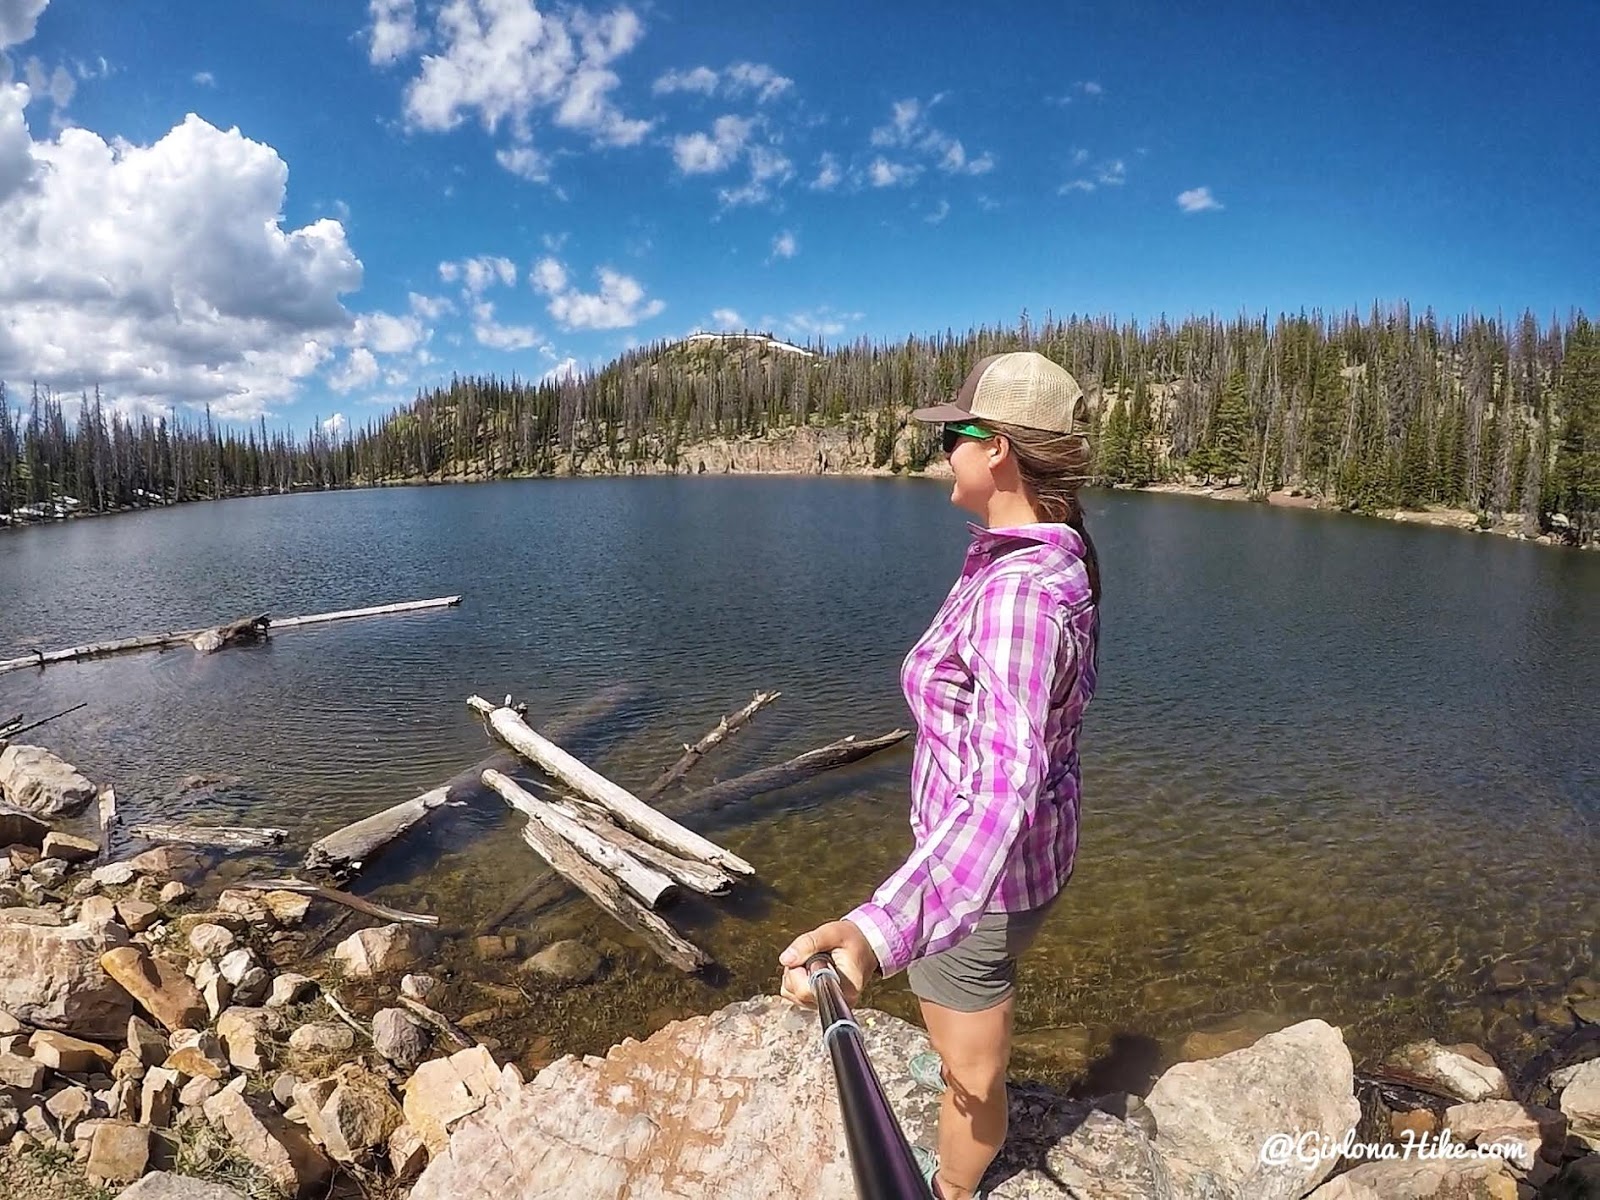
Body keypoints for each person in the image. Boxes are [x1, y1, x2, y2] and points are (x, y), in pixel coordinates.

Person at [779, 351, 1102, 1200]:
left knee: (973, 1075)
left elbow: (1002, 789)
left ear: (995, 449)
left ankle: (954, 1186)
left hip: (981, 887)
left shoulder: (1017, 595)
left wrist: (874, 935)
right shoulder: (1040, 559)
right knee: (969, 1033)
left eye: (953, 435)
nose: (942, 452)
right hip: (1013, 865)